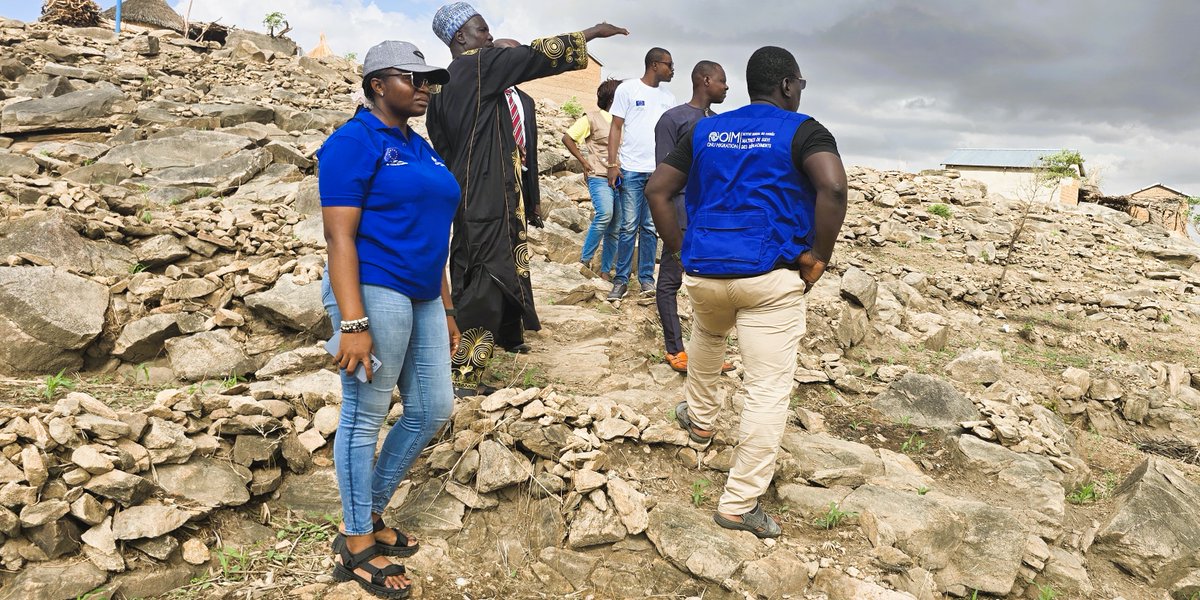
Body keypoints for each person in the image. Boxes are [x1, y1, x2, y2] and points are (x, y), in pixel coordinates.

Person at [645, 46, 848, 539]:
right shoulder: (804, 131)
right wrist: (819, 255)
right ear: (785, 85)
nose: (800, 92)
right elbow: (834, 188)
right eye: (799, 84)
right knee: (766, 390)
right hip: (769, 279)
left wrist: (681, 247)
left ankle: (699, 419)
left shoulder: (705, 130)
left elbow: (657, 190)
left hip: (707, 272)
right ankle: (738, 504)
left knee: (709, 339)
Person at [317, 41, 459, 598]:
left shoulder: (420, 148)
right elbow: (339, 236)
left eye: (430, 80)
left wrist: (447, 308)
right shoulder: (353, 141)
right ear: (378, 83)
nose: (425, 87)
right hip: (373, 286)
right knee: (366, 412)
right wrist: (352, 321)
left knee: (432, 409)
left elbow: (434, 236)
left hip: (423, 295)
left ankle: (367, 511)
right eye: (413, 78)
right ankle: (356, 544)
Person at [425, 2, 627, 395]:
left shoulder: (441, 84)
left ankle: (507, 335)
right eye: (482, 30)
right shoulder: (479, 65)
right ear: (461, 37)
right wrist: (590, 32)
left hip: (467, 193)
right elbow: (533, 55)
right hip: (486, 198)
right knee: (486, 280)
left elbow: (444, 141)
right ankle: (464, 377)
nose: (488, 37)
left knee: (484, 269)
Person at [653, 61, 728, 373]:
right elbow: (662, 176)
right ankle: (675, 350)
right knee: (670, 282)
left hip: (712, 219)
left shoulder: (722, 124)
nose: (726, 88)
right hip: (682, 215)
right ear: (706, 80)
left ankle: (708, 354)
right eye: (722, 81)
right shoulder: (673, 119)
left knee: (713, 287)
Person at [605, 47, 676, 301]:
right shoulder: (628, 89)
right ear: (654, 65)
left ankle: (646, 279)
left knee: (649, 228)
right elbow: (615, 127)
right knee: (628, 226)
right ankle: (621, 281)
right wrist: (612, 164)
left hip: (658, 173)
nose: (672, 69)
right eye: (668, 64)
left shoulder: (669, 98)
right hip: (631, 169)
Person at [562, 77, 623, 280]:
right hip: (599, 175)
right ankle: (584, 260)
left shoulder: (623, 121)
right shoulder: (592, 118)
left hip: (622, 179)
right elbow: (568, 138)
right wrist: (583, 161)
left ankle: (605, 271)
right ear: (613, 97)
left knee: (616, 226)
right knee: (605, 214)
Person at [493, 37, 543, 230]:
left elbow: (533, 154)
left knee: (518, 237)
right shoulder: (487, 96)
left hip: (521, 182)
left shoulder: (527, 101)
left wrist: (535, 200)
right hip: (494, 181)